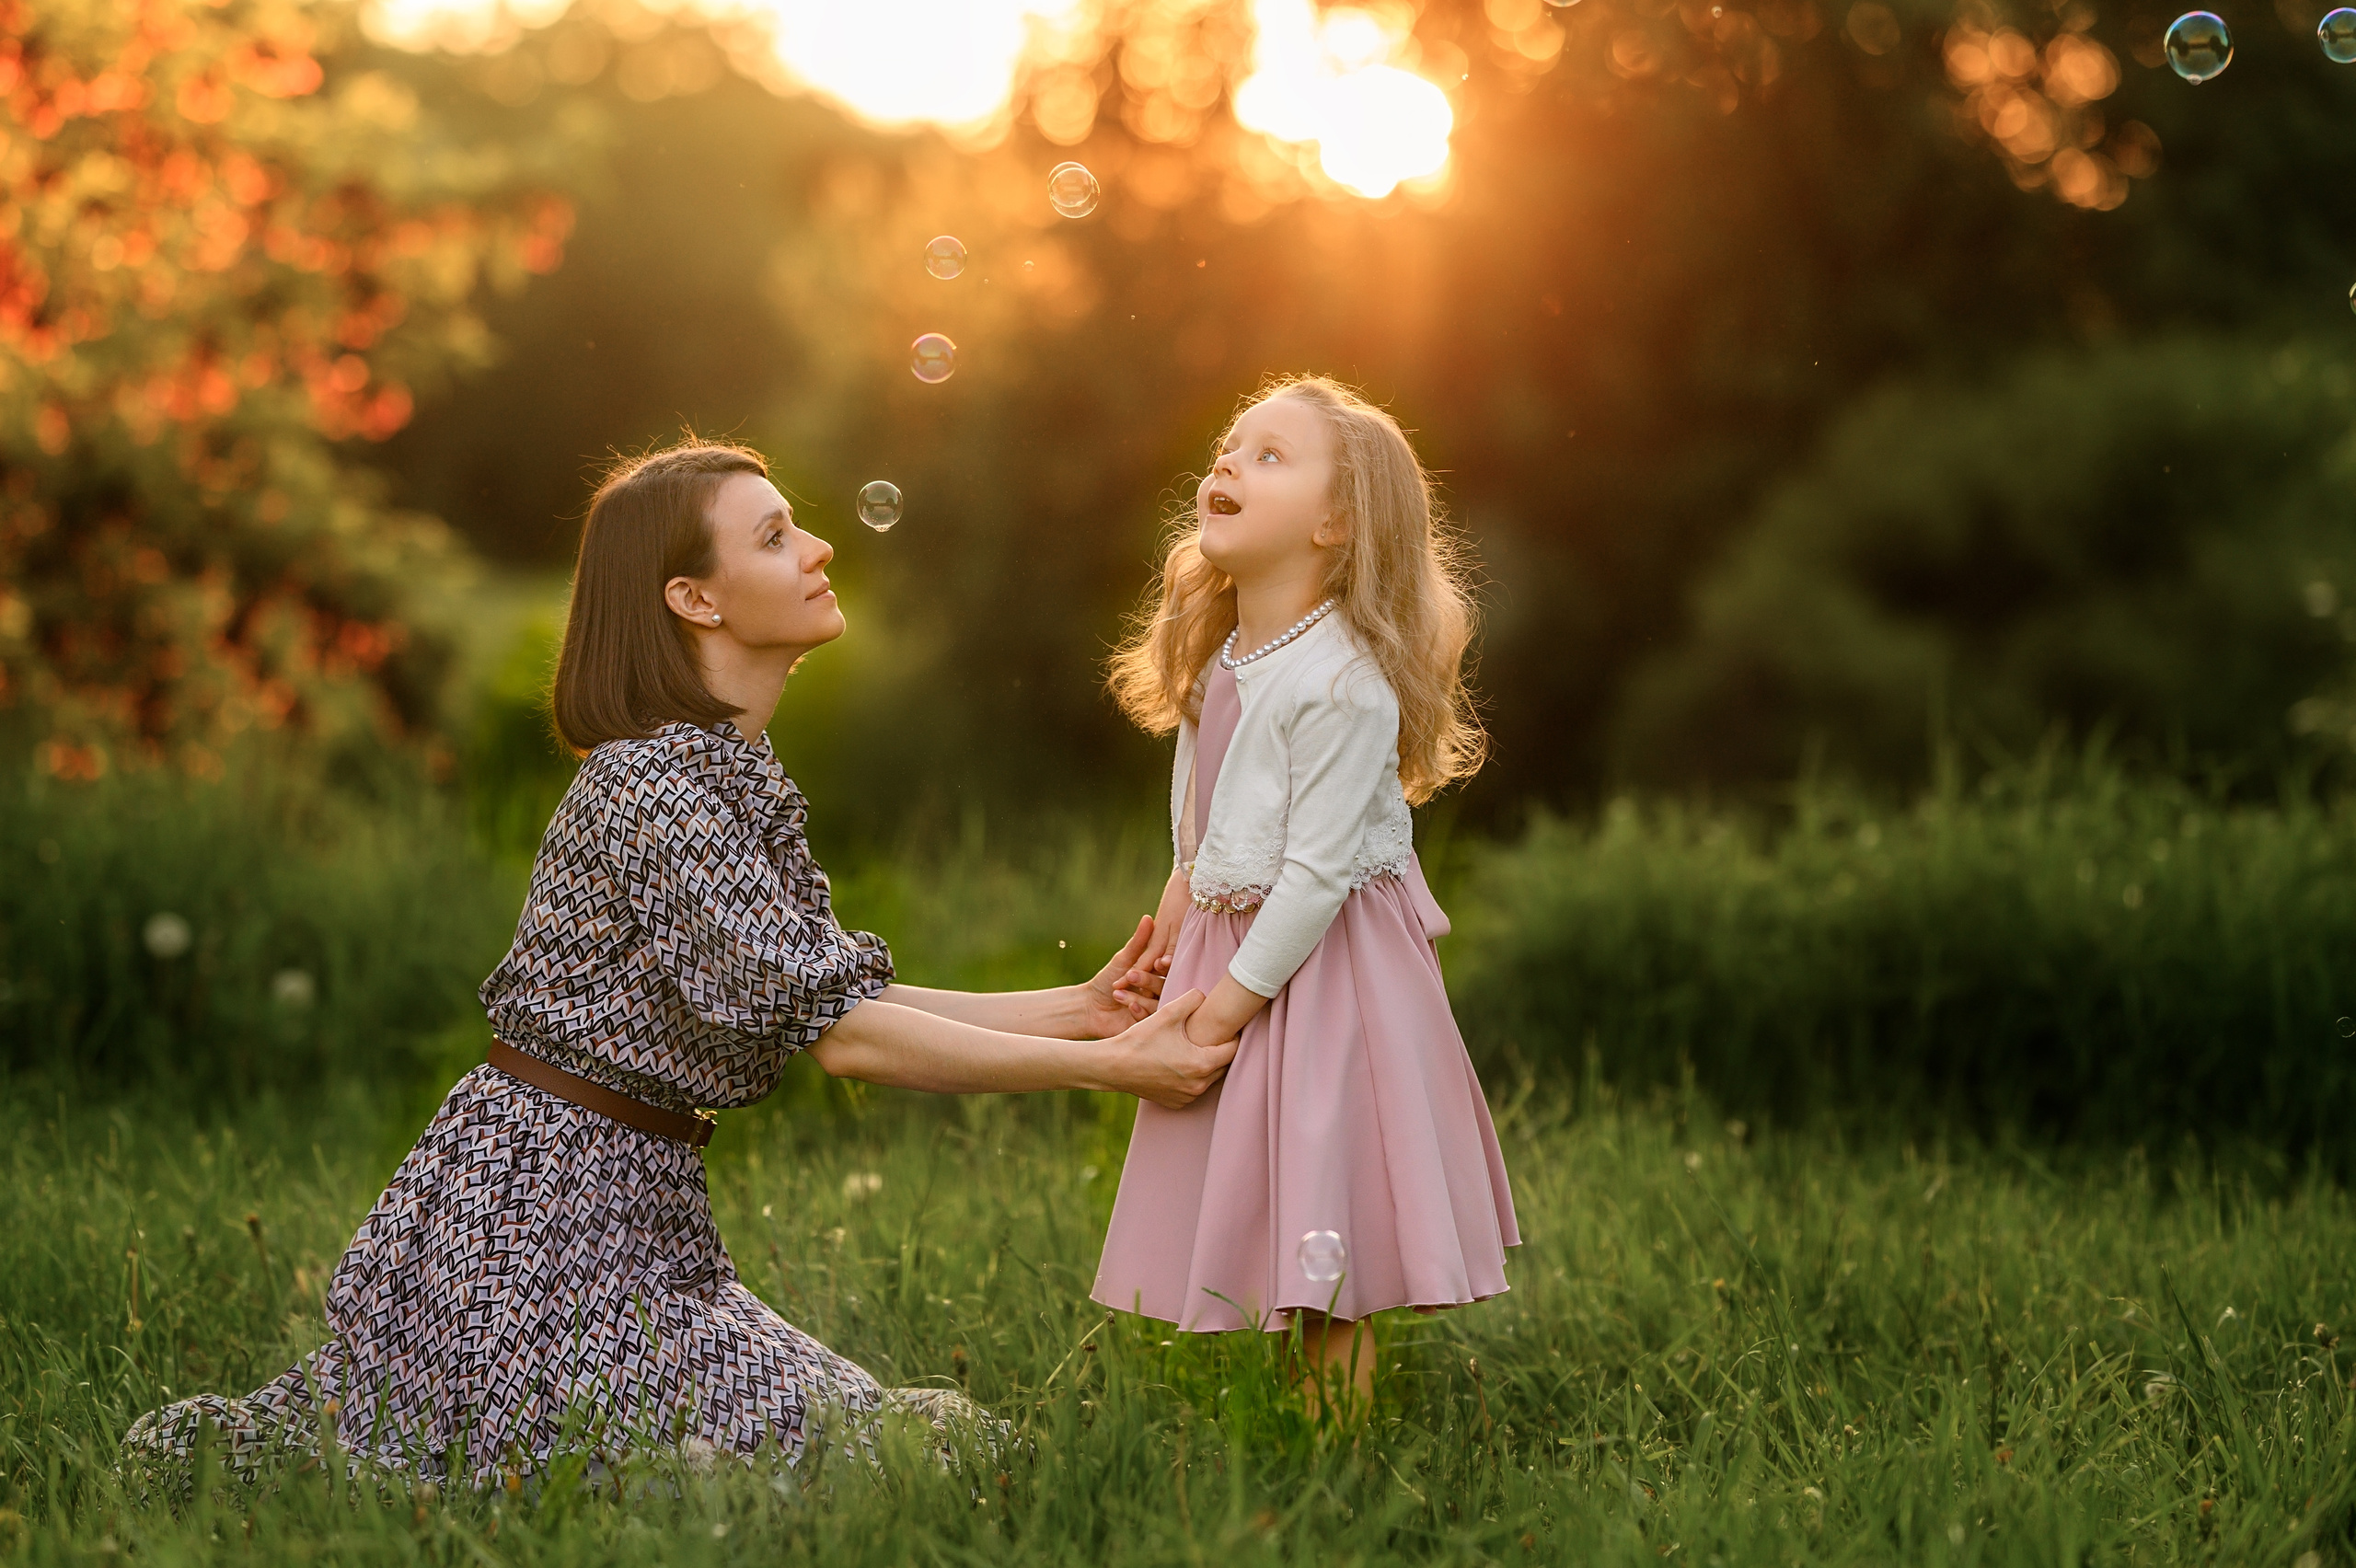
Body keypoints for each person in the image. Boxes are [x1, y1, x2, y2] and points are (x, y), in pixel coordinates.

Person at [121, 439, 1230, 1492]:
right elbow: (844, 1040)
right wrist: (1114, 1068)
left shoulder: (723, 771)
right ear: (694, 599)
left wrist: (1083, 1009)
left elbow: (829, 992)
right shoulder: (655, 787)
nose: (820, 549)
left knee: (909, 1446)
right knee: (846, 1463)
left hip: (633, 1224)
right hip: (531, 1235)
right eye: (775, 536)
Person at [1092, 375, 1520, 1413]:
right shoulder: (1223, 656)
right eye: (1229, 446)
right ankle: (1292, 1436)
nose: (1228, 462)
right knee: (1271, 1210)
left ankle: (1335, 1461)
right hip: (1242, 953)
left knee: (1327, 1238)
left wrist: (1218, 1017)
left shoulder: (1340, 685)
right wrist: (1176, 913)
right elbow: (1206, 822)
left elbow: (1317, 876)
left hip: (1327, 978)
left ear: (1337, 523)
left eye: (1270, 455)